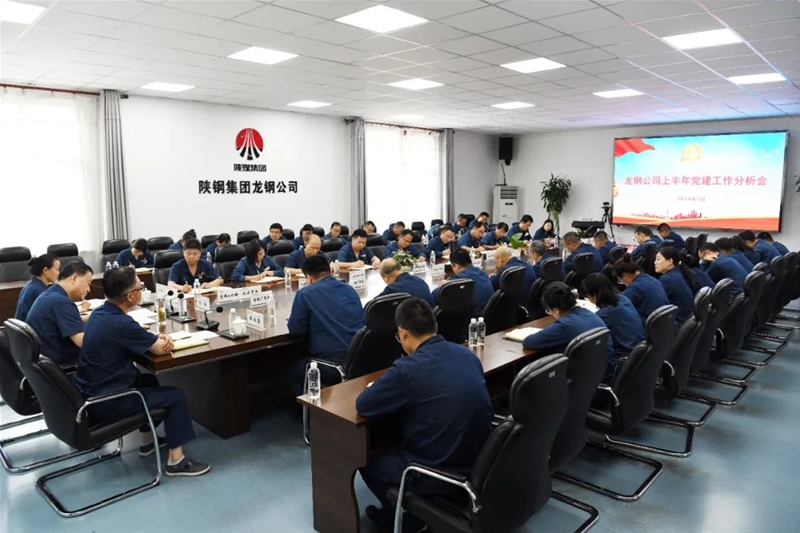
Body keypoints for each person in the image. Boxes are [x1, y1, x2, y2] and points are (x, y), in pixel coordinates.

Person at [357, 298, 492, 533]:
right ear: (435, 326)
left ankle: (406, 520)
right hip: (479, 464)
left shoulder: (407, 369)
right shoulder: (467, 355)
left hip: (436, 473)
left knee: (364, 459)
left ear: (403, 333)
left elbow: (364, 404)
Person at [73, 267, 210, 477]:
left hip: (91, 393)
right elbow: (160, 348)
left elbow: (133, 338)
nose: (142, 290)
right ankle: (176, 461)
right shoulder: (121, 323)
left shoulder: (100, 313)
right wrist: (163, 340)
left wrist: (151, 339)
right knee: (175, 396)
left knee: (148, 380)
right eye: (140, 287)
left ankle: (147, 441)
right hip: (108, 401)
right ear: (130, 296)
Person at [287, 255, 364, 394]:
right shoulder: (349, 289)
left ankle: (307, 407)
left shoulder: (305, 294)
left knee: (291, 371)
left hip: (332, 364)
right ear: (330, 271)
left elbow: (296, 330)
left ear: (309, 278)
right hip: (359, 358)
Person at [522, 282, 614, 376]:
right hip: (605, 371)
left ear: (556, 310)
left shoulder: (565, 325)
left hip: (586, 376)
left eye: (548, 310)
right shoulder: (588, 313)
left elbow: (529, 342)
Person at [26, 261, 93, 365]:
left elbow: (67, 320)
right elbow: (83, 342)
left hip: (44, 360)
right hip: (63, 365)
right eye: (88, 283)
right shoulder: (62, 303)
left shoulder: (51, 293)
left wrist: (94, 316)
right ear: (74, 278)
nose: (89, 289)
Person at [581, 273, 644, 378]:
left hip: (622, 361)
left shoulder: (604, 314)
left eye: (588, 296)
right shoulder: (624, 299)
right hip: (638, 355)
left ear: (595, 295)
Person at [431, 249, 493, 317]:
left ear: (457, 266)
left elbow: (434, 297)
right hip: (488, 316)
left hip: (473, 319)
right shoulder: (483, 273)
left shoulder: (459, 280)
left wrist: (443, 285)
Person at [612, 256, 669, 326]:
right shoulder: (651, 279)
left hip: (650, 326)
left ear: (625, 275)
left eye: (620, 280)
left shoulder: (634, 288)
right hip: (665, 324)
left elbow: (617, 306)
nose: (622, 283)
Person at [654, 246, 695, 327]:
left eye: (658, 259)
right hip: (685, 321)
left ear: (670, 261)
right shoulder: (677, 274)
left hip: (677, 324)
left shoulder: (668, 280)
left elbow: (653, 299)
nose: (655, 262)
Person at [15, 253, 60, 321]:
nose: (58, 273)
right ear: (45, 270)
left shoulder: (31, 285)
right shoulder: (38, 291)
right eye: (56, 269)